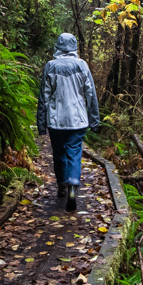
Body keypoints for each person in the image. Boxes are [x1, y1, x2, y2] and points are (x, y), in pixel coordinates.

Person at [36, 33, 100, 211]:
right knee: (74, 151)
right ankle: (73, 182)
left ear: (57, 46)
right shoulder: (82, 65)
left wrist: (41, 124)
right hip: (78, 119)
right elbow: (91, 94)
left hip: (56, 121)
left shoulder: (51, 66)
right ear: (74, 46)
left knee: (58, 152)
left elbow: (44, 97)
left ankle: (62, 184)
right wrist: (94, 120)